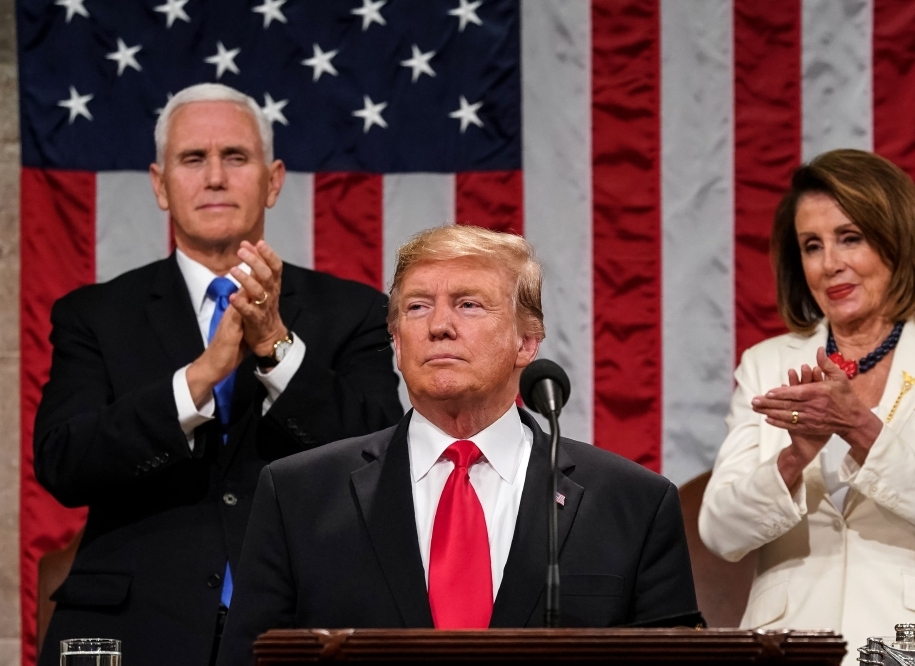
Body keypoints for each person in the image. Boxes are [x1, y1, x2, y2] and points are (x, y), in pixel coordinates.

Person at [35, 83, 403, 666]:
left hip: (302, 627)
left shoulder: (352, 311)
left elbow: (385, 460)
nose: (214, 177)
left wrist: (277, 348)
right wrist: (199, 378)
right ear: (160, 185)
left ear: (273, 180)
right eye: (192, 159)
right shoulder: (95, 315)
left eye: (235, 157)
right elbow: (63, 464)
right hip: (135, 631)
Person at [216, 225, 700, 664]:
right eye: (417, 307)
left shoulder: (633, 503)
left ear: (526, 343)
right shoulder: (299, 494)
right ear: (398, 344)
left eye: (468, 304)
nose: (439, 325)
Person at [699, 149, 915, 656]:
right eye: (811, 246)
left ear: (897, 241)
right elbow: (721, 530)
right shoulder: (765, 363)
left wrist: (860, 427)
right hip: (790, 640)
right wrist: (795, 456)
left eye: (850, 238)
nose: (831, 264)